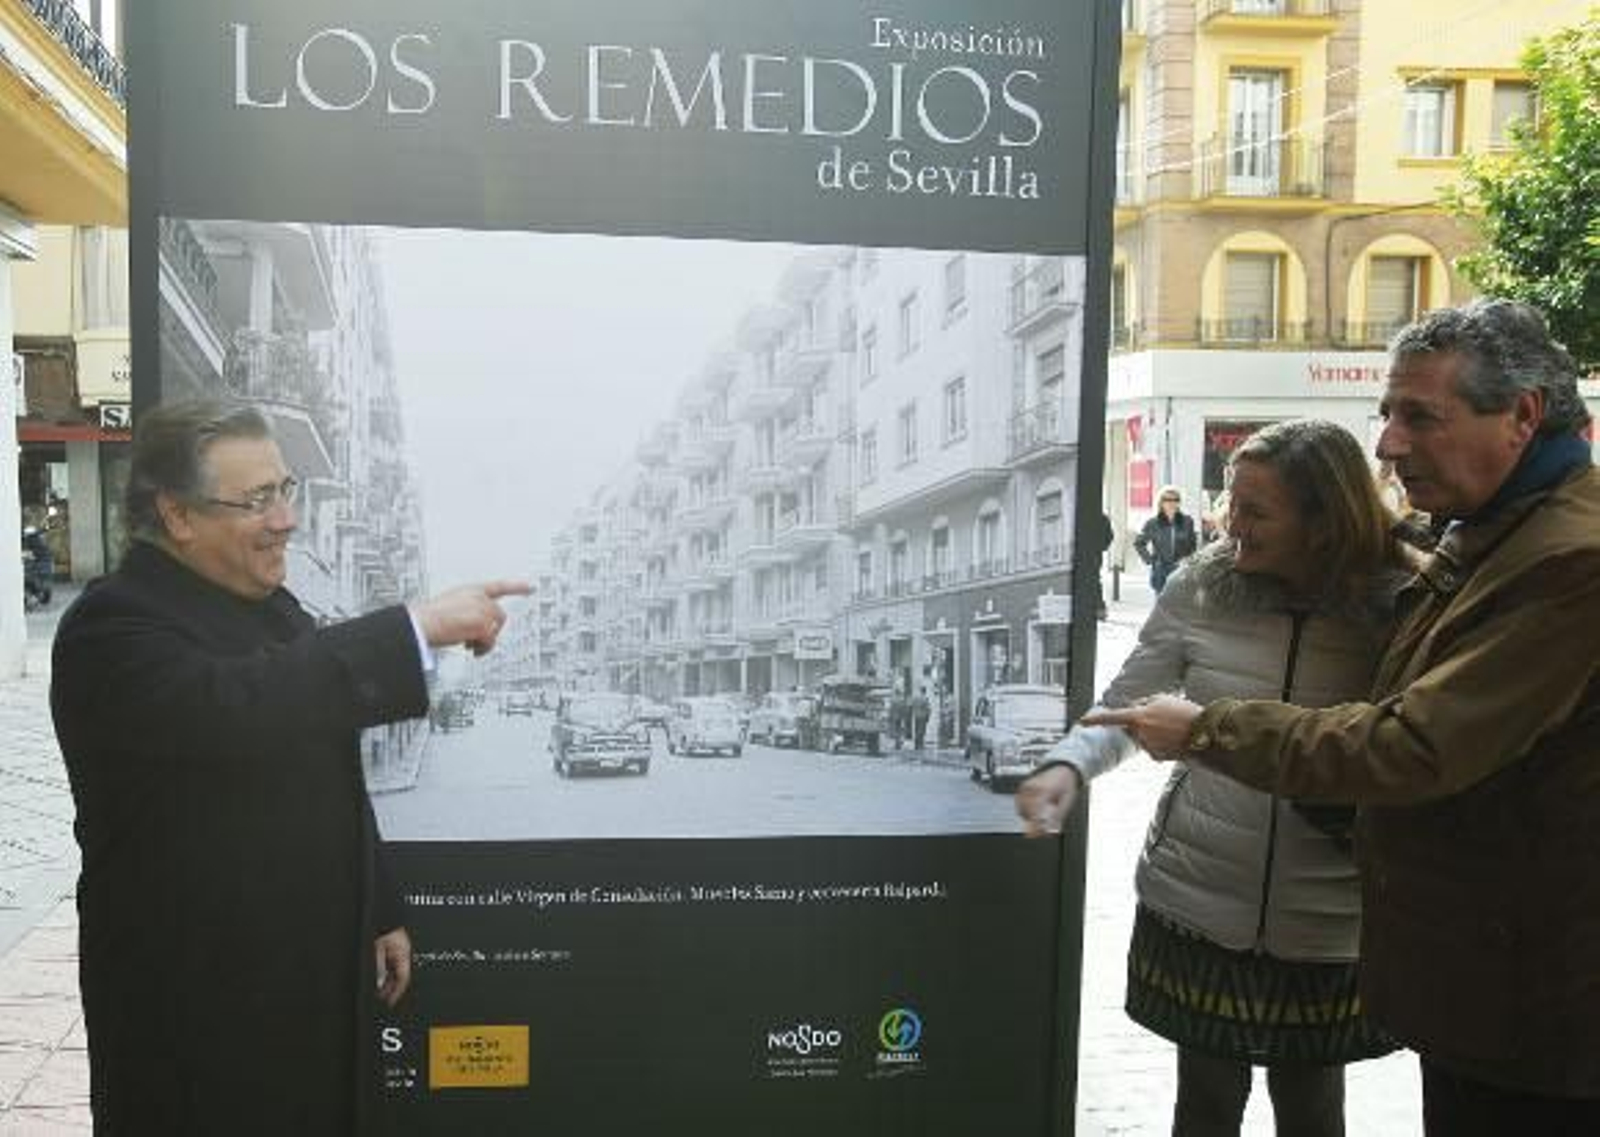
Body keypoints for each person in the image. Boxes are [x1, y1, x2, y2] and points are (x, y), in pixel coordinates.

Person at [1086, 300, 1600, 1136]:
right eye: (1387, 414)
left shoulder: (1566, 559)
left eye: (1420, 417)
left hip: (1530, 998)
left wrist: (1208, 729)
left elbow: (1411, 744)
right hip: (1486, 983)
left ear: (1522, 415)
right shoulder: (1492, 535)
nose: (1389, 443)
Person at [50, 401, 529, 1136]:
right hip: (195, 1014)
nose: (287, 520)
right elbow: (242, 707)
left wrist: (379, 907)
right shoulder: (111, 627)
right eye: (256, 500)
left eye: (285, 489)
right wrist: (414, 628)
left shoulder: (276, 611)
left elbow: (328, 769)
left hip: (308, 989)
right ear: (176, 514)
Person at [1019, 419, 1409, 1137]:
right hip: (1199, 897)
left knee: (1313, 1104)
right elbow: (1126, 706)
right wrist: (1067, 765)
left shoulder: (1400, 606)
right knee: (1203, 1101)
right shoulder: (1200, 585)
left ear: (1324, 521)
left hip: (1331, 915)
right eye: (1231, 500)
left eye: (1257, 511)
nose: (1232, 523)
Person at [1133, 485, 1198, 592]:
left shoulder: (1187, 521)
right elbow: (1139, 543)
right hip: (1161, 570)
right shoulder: (1153, 523)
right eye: (1167, 500)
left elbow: (1192, 545)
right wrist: (1150, 561)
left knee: (1180, 599)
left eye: (1176, 500)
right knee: (1161, 599)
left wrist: (1189, 562)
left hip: (1181, 569)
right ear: (1161, 502)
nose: (1172, 503)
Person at [911, 684, 931, 750]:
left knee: (917, 730)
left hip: (917, 716)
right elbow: (928, 709)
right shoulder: (925, 699)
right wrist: (928, 717)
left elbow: (912, 706)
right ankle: (921, 744)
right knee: (922, 731)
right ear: (925, 691)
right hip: (923, 716)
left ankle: (916, 744)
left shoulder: (916, 698)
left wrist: (914, 713)